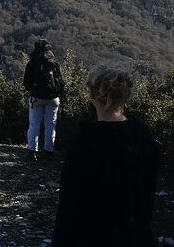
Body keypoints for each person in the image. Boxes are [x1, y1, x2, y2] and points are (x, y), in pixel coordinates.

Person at [52, 64, 160, 246]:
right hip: (135, 235)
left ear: (92, 95)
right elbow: (148, 190)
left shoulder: (86, 141)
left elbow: (71, 202)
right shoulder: (143, 134)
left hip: (93, 236)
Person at [23, 39, 65, 161]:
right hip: (53, 98)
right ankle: (49, 151)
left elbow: (26, 83)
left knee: (34, 124)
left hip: (36, 98)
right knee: (51, 124)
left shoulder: (32, 63)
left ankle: (32, 152)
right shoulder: (54, 62)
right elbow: (61, 82)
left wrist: (33, 90)